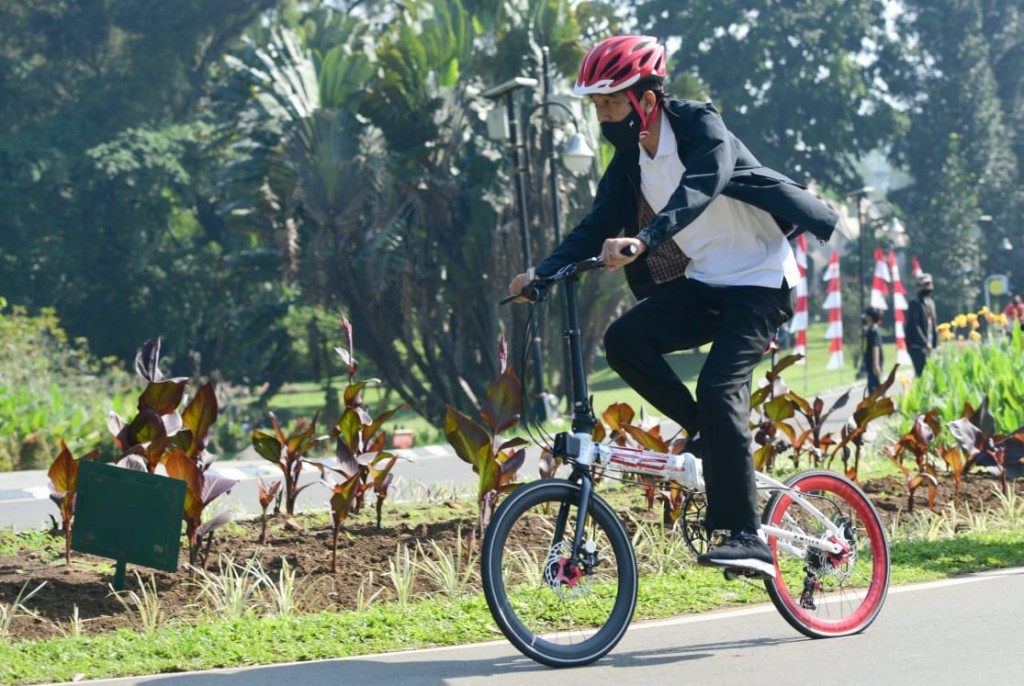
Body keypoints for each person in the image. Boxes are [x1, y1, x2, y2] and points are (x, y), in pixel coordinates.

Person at [507, 35, 838, 578]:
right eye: (597, 105)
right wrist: (541, 273)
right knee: (625, 341)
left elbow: (701, 187)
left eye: (612, 101)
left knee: (717, 385)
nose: (603, 114)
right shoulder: (630, 160)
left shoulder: (703, 128)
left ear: (647, 99)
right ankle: (706, 432)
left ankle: (746, 535)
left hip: (760, 283)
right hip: (708, 284)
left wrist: (647, 238)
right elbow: (595, 225)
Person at [906, 273, 937, 376]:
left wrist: (934, 344)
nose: (926, 287)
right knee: (922, 374)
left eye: (928, 284)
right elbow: (914, 326)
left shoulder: (930, 303)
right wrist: (924, 343)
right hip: (918, 346)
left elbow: (932, 325)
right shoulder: (914, 303)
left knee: (929, 374)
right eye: (923, 285)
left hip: (929, 345)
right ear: (918, 287)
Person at [861, 307, 884, 394]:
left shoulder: (874, 332)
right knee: (879, 390)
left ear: (870, 317)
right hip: (871, 366)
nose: (865, 317)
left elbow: (876, 348)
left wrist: (876, 365)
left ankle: (891, 406)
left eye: (866, 315)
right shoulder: (869, 330)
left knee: (875, 391)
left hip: (874, 366)